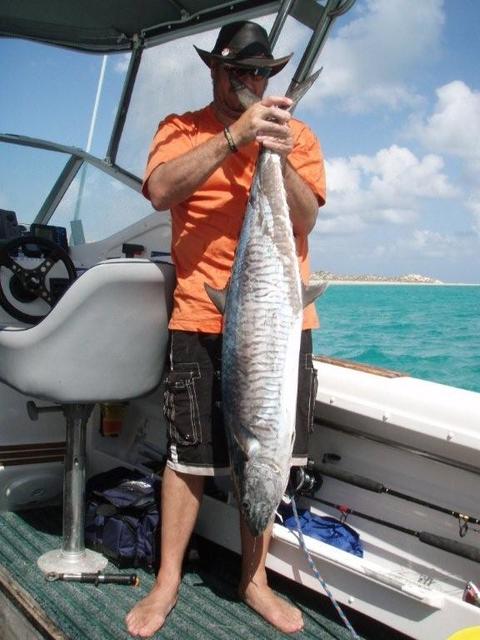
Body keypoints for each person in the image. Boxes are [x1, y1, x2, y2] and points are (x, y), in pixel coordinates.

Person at [126, 20, 326, 638]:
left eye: (262, 72)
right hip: (200, 314)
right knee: (188, 456)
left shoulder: (297, 134)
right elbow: (160, 190)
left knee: (269, 450)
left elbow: (308, 216)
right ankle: (167, 583)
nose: (251, 82)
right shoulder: (181, 130)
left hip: (276, 323)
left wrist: (275, 148)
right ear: (214, 69)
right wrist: (236, 135)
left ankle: (254, 581)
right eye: (240, 71)